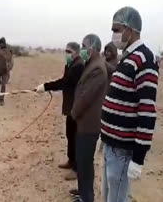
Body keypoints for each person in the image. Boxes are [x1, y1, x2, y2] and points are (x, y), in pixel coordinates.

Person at [100, 7, 159, 202]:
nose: (114, 35)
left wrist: (139, 158)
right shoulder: (126, 57)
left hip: (122, 150)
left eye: (117, 29)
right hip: (110, 144)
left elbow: (147, 111)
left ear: (130, 30)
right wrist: (104, 134)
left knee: (117, 198)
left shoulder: (144, 59)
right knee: (107, 195)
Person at [35, 42, 84, 181]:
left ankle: (77, 168)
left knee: (75, 137)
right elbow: (64, 81)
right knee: (69, 134)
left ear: (76, 52)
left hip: (76, 106)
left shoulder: (79, 66)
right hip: (70, 106)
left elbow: (64, 83)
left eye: (69, 51)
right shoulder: (70, 64)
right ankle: (71, 160)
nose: (67, 54)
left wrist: (45, 87)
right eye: (66, 51)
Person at [69, 34, 108, 202]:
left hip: (89, 124)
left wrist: (73, 113)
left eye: (84, 46)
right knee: (82, 160)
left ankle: (87, 198)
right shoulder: (91, 64)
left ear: (91, 49)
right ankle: (82, 192)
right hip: (84, 122)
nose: (82, 49)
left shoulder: (97, 68)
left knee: (85, 162)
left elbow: (86, 97)